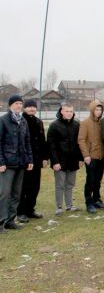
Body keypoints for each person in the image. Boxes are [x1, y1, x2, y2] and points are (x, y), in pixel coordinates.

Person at [0, 95, 33, 233]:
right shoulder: (3, 121)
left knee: (16, 193)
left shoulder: (23, 121)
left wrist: (29, 159)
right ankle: (1, 221)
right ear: (10, 105)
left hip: (21, 163)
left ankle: (10, 220)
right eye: (16, 103)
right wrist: (1, 161)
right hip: (7, 164)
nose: (19, 105)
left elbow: (27, 142)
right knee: (4, 193)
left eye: (20, 103)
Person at [47, 103, 83, 215]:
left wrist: (80, 158)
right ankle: (59, 206)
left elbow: (78, 143)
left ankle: (69, 205)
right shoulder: (54, 125)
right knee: (60, 184)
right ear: (62, 111)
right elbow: (51, 145)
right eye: (67, 111)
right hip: (60, 160)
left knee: (70, 184)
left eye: (71, 111)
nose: (69, 113)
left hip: (72, 160)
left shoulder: (76, 125)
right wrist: (55, 161)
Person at [17, 99, 48, 222]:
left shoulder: (38, 122)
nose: (32, 109)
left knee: (35, 186)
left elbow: (42, 141)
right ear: (24, 108)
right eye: (29, 107)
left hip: (37, 159)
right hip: (24, 160)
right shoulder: (20, 121)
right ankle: (21, 212)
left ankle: (30, 209)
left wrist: (45, 157)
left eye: (34, 107)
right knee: (23, 186)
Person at [78, 100, 104, 214]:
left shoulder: (101, 123)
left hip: (101, 156)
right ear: (92, 110)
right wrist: (86, 155)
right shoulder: (85, 123)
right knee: (90, 180)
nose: (98, 112)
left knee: (98, 180)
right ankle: (89, 202)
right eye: (96, 109)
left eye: (100, 110)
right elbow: (81, 140)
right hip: (91, 157)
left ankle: (96, 199)